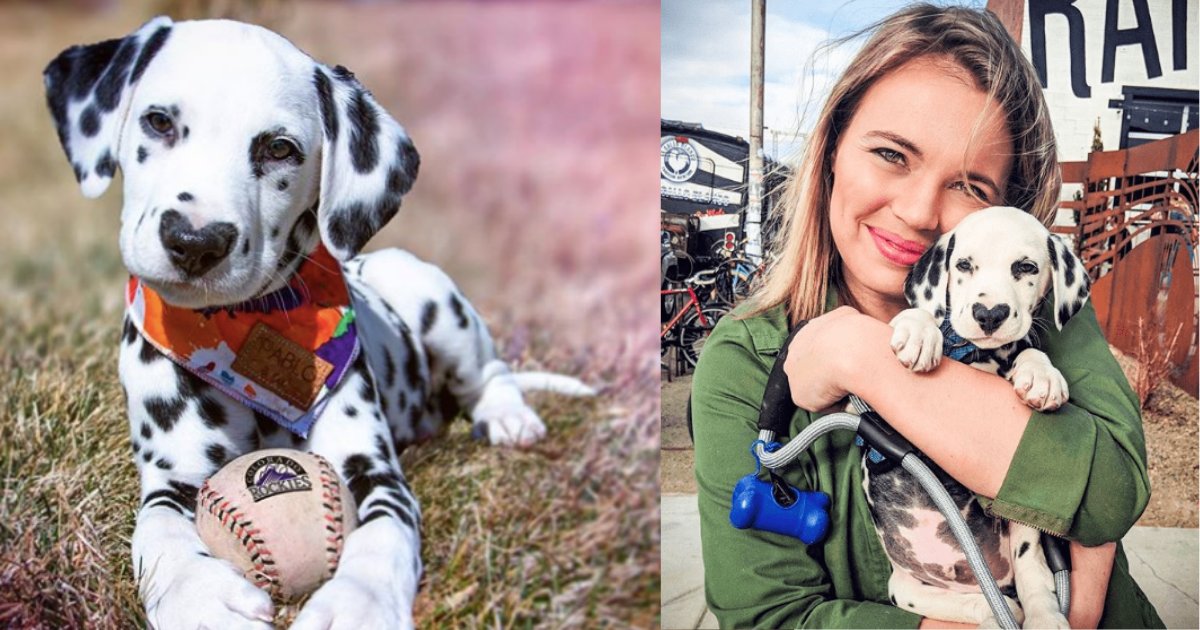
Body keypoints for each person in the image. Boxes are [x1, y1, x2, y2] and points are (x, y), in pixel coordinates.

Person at [691, 4, 1165, 628]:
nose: (918, 213)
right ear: (832, 147)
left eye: (970, 186)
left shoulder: (1041, 304)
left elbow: (1114, 495)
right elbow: (767, 617)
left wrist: (863, 360)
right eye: (891, 153)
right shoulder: (747, 360)